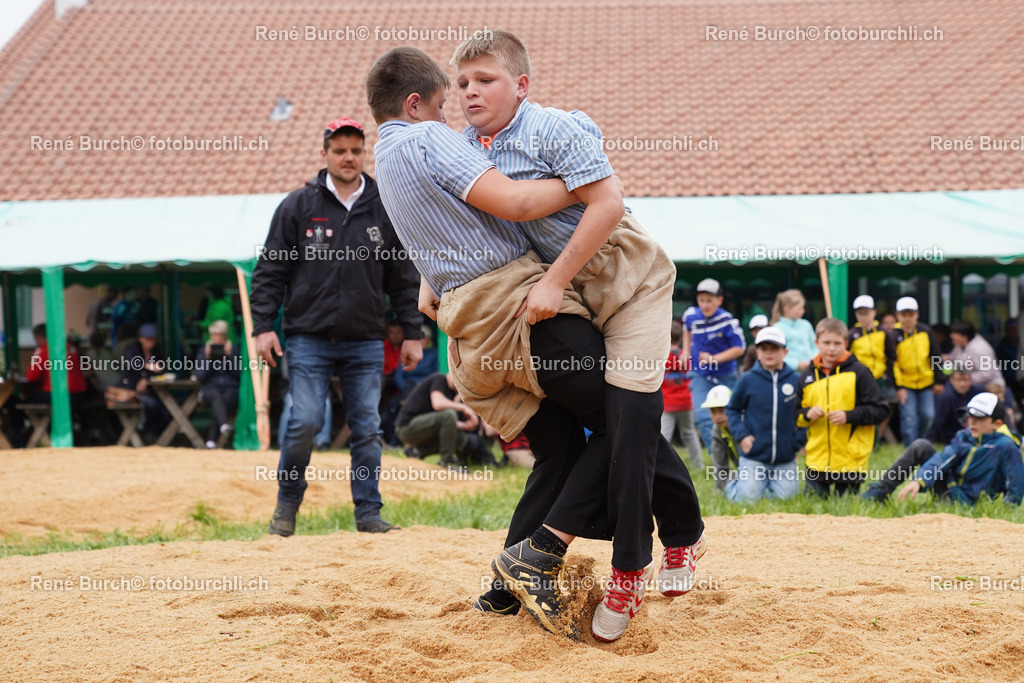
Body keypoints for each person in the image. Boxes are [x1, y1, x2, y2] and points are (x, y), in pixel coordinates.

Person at [369, 44, 704, 642]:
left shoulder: (402, 150)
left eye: (482, 81)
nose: (464, 99)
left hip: (569, 291)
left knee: (574, 442)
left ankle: (506, 592)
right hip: (523, 308)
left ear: (520, 84)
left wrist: (433, 272)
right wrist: (577, 187)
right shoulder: (440, 139)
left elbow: (456, 212)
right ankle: (578, 551)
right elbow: (516, 203)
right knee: (620, 422)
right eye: (455, 91)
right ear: (417, 105)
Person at [250, 115, 424, 536]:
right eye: (340, 150)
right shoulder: (298, 206)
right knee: (304, 421)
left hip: (365, 339)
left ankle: (368, 515)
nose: (348, 158)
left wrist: (413, 332)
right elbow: (270, 269)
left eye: (355, 150)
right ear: (325, 153)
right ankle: (286, 510)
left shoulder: (385, 206)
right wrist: (262, 326)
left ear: (364, 154)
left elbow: (404, 277)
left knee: (367, 428)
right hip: (308, 338)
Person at [862, 393, 1024, 505]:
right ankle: (876, 494)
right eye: (970, 416)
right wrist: (919, 480)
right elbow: (943, 458)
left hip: (970, 504)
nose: (972, 422)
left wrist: (1005, 510)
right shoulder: (964, 436)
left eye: (980, 418)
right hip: (950, 490)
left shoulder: (1006, 446)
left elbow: (1015, 484)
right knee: (921, 446)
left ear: (997, 424)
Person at [796, 318, 889, 496]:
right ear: (816, 343)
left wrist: (850, 416)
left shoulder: (860, 372)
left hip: (850, 460)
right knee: (812, 512)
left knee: (846, 514)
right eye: (826, 343)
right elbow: (796, 415)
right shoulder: (806, 376)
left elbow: (880, 410)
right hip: (817, 460)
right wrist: (808, 414)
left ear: (846, 343)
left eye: (837, 343)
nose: (831, 348)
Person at [724, 327, 801, 502]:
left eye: (774, 348)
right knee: (747, 500)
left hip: (785, 458)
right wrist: (742, 436)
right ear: (757, 352)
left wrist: (797, 442)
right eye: (764, 349)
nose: (769, 353)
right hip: (754, 456)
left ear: (785, 352)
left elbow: (805, 413)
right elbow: (732, 409)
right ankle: (734, 486)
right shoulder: (747, 380)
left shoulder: (796, 381)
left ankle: (766, 484)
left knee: (786, 500)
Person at [683, 278, 746, 450]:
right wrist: (686, 351)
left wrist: (714, 358)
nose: (705, 305)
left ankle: (739, 456)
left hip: (725, 375)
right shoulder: (691, 315)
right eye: (701, 300)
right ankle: (719, 459)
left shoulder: (727, 321)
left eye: (709, 300)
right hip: (700, 374)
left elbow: (740, 348)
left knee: (730, 416)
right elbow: (686, 329)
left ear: (719, 300)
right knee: (702, 416)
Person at [395, 372, 482, 467]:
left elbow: (446, 424)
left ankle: (417, 451)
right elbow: (438, 404)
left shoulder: (451, 392)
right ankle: (446, 462)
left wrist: (464, 426)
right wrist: (463, 407)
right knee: (449, 414)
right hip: (407, 428)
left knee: (459, 437)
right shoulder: (439, 379)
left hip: (424, 429)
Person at [892, 297, 942, 445]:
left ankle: (922, 444)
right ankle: (911, 448)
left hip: (926, 382)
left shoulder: (926, 331)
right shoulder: (893, 335)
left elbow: (935, 355)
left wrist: (939, 380)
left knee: (928, 415)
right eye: (904, 314)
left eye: (911, 314)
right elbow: (893, 363)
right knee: (909, 417)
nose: (907, 318)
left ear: (917, 315)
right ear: (898, 316)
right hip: (906, 383)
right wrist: (899, 387)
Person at [662, 320, 702, 469]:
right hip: (686, 403)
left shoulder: (662, 357)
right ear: (680, 339)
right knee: (690, 433)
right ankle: (698, 464)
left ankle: (661, 465)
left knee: (664, 436)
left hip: (667, 404)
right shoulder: (686, 358)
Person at [119, 323, 171, 440]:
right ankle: (144, 434)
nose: (150, 342)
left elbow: (162, 369)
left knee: (167, 411)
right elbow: (129, 365)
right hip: (131, 390)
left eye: (153, 339)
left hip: (153, 390)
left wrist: (146, 379)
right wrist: (147, 366)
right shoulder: (132, 350)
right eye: (148, 339)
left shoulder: (157, 351)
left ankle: (155, 436)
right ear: (141, 339)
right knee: (151, 405)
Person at [194, 320, 240, 449]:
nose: (217, 339)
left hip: (229, 390)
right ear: (210, 336)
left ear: (225, 336)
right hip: (208, 391)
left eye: (220, 336)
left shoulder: (233, 350)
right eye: (214, 335)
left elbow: (238, 374)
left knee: (221, 401)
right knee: (215, 396)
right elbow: (199, 377)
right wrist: (209, 360)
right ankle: (224, 427)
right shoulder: (203, 351)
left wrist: (230, 357)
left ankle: (211, 441)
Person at [25, 324, 89, 405]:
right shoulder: (70, 347)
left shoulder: (42, 350)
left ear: (37, 337)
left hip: (57, 395)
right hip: (80, 394)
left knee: (26, 400)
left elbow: (31, 377)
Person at [926, 369, 984, 445]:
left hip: (977, 437)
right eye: (959, 380)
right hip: (954, 439)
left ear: (971, 380)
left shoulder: (979, 393)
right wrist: (928, 442)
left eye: (966, 380)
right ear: (951, 380)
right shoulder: (946, 397)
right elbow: (938, 422)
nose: (962, 384)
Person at [769, 289, 816, 372]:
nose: (803, 311)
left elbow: (815, 346)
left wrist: (813, 361)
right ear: (787, 309)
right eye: (800, 308)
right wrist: (796, 364)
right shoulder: (777, 328)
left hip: (810, 371)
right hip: (788, 373)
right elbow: (775, 354)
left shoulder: (806, 325)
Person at [948, 320, 1003, 389]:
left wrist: (963, 378)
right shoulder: (960, 345)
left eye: (955, 333)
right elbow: (951, 359)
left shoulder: (980, 348)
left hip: (990, 388)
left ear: (964, 336)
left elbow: (987, 375)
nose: (951, 336)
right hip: (970, 386)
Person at [704, 386, 738, 492]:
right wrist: (723, 488)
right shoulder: (717, 430)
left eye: (722, 410)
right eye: (713, 412)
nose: (718, 416)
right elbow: (720, 465)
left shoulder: (744, 424)